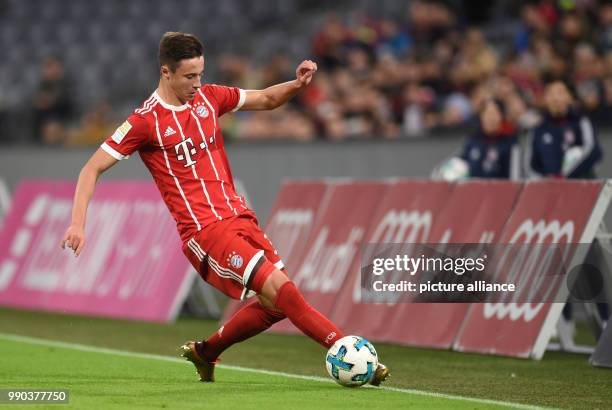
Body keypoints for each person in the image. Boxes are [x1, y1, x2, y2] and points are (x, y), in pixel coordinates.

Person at [60, 32, 389, 385]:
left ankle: (206, 352)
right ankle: (348, 353)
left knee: (276, 306)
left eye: (200, 74)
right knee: (285, 291)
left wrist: (296, 85)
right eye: (189, 76)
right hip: (205, 230)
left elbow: (264, 98)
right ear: (166, 73)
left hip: (240, 217)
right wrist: (78, 223)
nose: (197, 83)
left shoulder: (209, 98)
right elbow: (90, 168)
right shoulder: (145, 121)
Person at [460, 99, 520, 179]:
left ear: (501, 117)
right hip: (472, 190)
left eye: (494, 114)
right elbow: (462, 166)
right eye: (487, 114)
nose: (491, 118)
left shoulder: (510, 143)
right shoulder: (472, 141)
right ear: (481, 116)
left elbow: (515, 177)